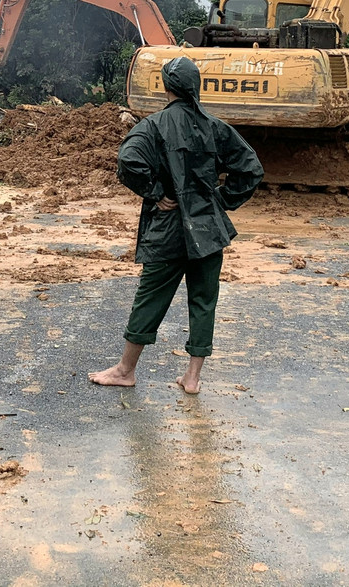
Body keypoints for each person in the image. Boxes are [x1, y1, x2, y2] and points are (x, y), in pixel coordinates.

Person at [89, 57, 263, 395]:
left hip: (169, 228)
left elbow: (128, 161)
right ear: (195, 87)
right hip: (209, 230)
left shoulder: (152, 126)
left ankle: (126, 370)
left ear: (166, 87)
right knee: (203, 301)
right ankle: (193, 378)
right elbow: (251, 168)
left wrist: (156, 192)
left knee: (150, 297)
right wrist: (222, 199)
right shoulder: (215, 126)